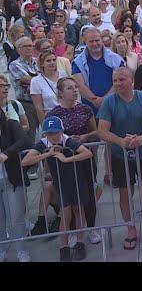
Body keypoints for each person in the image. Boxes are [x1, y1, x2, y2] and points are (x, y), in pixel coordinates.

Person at [96, 67, 142, 250]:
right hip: (120, 155)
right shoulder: (109, 102)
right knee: (125, 192)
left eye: (122, 79)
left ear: (132, 81)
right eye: (115, 80)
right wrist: (121, 141)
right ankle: (131, 229)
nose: (118, 83)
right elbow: (102, 130)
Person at [22, 116, 93, 261]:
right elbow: (25, 161)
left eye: (56, 132)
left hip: (76, 180)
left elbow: (87, 153)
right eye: (50, 133)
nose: (53, 136)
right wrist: (48, 153)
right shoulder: (43, 143)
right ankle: (64, 246)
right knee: (65, 213)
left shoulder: (67, 140)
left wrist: (66, 159)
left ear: (61, 131)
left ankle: (80, 242)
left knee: (78, 210)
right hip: (61, 183)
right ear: (45, 134)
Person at [47, 77, 102, 245]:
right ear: (61, 93)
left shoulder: (85, 109)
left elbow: (97, 132)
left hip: (84, 158)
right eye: (70, 88)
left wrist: (85, 137)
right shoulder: (54, 114)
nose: (75, 90)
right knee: (69, 199)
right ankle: (72, 231)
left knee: (88, 196)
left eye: (76, 87)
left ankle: (91, 228)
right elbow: (48, 138)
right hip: (64, 163)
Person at [0, 109, 32, 262]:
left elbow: (25, 140)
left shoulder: (10, 125)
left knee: (17, 217)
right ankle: (2, 251)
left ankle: (21, 251)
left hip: (11, 179)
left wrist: (7, 153)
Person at [72, 27, 125, 115]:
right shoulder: (78, 62)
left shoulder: (116, 59)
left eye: (97, 40)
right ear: (85, 42)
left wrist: (105, 100)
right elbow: (80, 86)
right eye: (91, 41)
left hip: (114, 106)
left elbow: (121, 81)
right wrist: (95, 100)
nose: (95, 44)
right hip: (89, 110)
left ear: (101, 40)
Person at [9, 36, 40, 142]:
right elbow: (28, 79)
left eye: (31, 46)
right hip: (27, 103)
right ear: (19, 49)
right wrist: (40, 79)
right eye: (26, 46)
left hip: (42, 101)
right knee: (30, 136)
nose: (29, 48)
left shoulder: (38, 62)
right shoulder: (14, 64)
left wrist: (37, 80)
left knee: (48, 133)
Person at [30, 51, 66, 126]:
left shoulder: (63, 75)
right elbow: (39, 108)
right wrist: (44, 125)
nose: (52, 62)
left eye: (54, 60)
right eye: (48, 61)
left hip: (67, 115)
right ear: (42, 64)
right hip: (50, 117)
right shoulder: (36, 81)